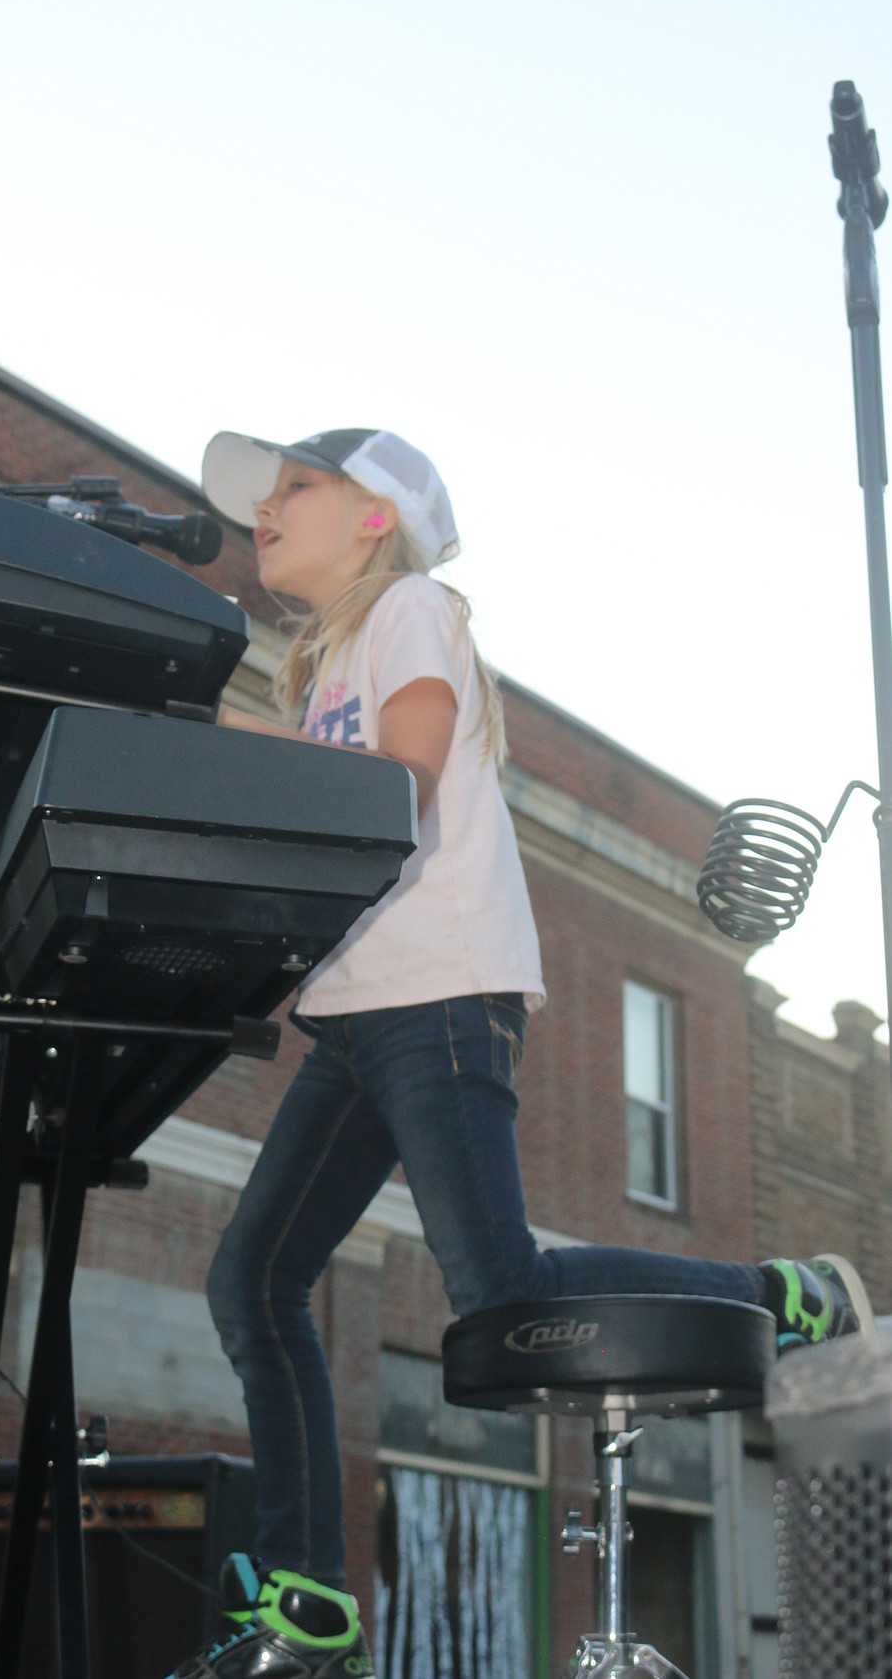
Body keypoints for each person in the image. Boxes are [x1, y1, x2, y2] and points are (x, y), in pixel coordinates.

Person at [171, 426, 874, 1679]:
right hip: (353, 1009)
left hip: (441, 993)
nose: (265, 508)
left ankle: (785, 1295)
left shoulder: (414, 614)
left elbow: (403, 781)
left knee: (497, 1285)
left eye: (297, 487)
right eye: (264, 495)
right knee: (253, 1279)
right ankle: (308, 1599)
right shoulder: (324, 662)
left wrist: (224, 746)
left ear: (375, 519)